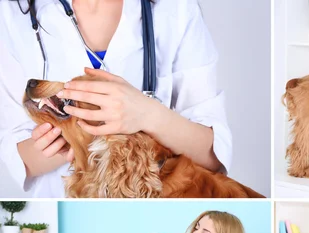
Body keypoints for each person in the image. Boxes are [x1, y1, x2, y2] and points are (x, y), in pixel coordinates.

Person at [0, 0, 231, 197]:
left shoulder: (175, 9)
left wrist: (149, 114)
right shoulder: (10, 14)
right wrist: (75, 137)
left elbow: (213, 155)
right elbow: (20, 159)